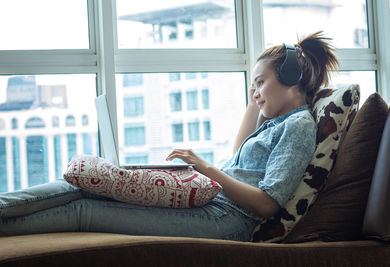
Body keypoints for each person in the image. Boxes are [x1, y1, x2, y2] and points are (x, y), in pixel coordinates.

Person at [0, 32, 338, 241]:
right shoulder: (277, 122)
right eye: (253, 85)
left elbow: (266, 204)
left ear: (291, 78)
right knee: (87, 183)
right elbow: (240, 156)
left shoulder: (298, 126)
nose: (255, 91)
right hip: (210, 201)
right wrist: (256, 100)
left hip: (225, 220)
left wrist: (206, 169)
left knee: (84, 211)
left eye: (260, 82)